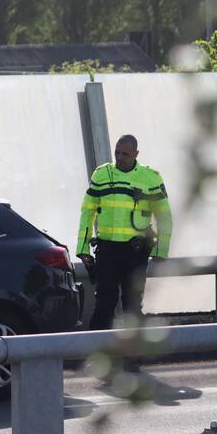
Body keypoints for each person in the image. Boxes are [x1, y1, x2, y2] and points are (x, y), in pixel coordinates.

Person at [76, 134, 172, 330]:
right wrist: (83, 248)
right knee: (104, 305)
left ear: (136, 154)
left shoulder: (151, 178)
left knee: (132, 307)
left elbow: (164, 217)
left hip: (135, 251)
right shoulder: (101, 175)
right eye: (117, 153)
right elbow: (87, 213)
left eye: (125, 154)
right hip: (107, 250)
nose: (119, 157)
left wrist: (160, 250)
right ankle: (98, 355)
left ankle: (132, 358)